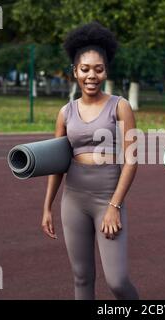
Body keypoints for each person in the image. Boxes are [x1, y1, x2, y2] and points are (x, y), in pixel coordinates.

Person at [41, 21, 139, 300]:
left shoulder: (120, 106)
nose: (91, 75)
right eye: (85, 69)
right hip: (73, 200)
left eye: (98, 69)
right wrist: (47, 206)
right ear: (75, 71)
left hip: (107, 198)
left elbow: (132, 161)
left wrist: (114, 206)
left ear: (106, 70)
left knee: (117, 281)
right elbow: (56, 162)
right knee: (82, 278)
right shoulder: (65, 112)